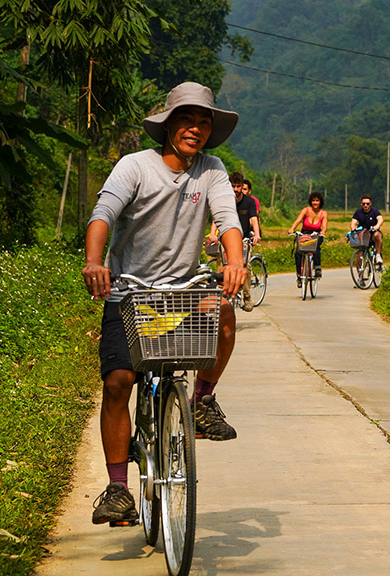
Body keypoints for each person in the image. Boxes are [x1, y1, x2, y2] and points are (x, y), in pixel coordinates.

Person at [82, 81, 247, 526]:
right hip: (130, 293)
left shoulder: (212, 170)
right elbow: (104, 214)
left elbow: (228, 220)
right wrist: (95, 262)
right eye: (186, 120)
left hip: (181, 293)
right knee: (119, 382)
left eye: (203, 122)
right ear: (169, 125)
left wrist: (235, 263)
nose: (195, 128)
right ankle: (118, 488)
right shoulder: (135, 166)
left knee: (225, 311)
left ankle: (203, 401)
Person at [208, 171, 260, 311]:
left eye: (238, 186)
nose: (235, 190)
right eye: (233, 186)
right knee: (222, 265)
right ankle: (221, 294)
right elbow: (217, 219)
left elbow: (253, 219)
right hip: (225, 239)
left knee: (245, 266)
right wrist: (213, 234)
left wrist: (257, 234)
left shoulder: (249, 202)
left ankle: (247, 296)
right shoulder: (225, 200)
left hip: (243, 238)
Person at [287, 191, 328, 286]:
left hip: (316, 234)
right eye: (313, 200)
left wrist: (323, 232)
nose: (315, 203)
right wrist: (292, 229)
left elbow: (324, 226)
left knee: (316, 248)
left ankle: (317, 268)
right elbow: (298, 220)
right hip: (304, 234)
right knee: (298, 253)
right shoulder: (306, 210)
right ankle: (299, 276)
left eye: (317, 201)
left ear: (320, 202)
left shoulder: (323, 213)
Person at [351, 194, 384, 264]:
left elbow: (380, 219)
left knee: (378, 235)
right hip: (362, 234)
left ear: (370, 204)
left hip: (372, 233)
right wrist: (353, 230)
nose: (365, 205)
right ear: (361, 204)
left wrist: (376, 226)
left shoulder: (375, 212)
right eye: (363, 204)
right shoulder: (358, 213)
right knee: (359, 255)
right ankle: (360, 273)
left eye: (367, 204)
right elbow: (353, 222)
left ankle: (378, 255)